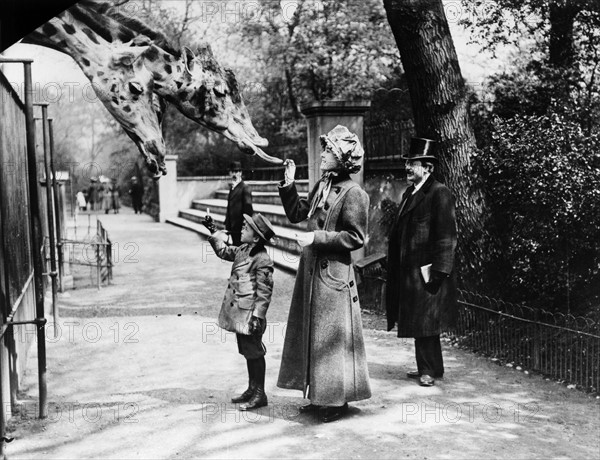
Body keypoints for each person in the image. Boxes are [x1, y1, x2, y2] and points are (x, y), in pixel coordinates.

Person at [276, 125, 371, 423]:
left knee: (329, 336)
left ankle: (335, 402)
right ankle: (319, 397)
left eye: (329, 151)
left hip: (334, 276)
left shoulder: (355, 194)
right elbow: (298, 213)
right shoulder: (323, 185)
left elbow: (356, 238)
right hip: (312, 272)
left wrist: (317, 239)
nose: (323, 155)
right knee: (313, 335)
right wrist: (289, 184)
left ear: (342, 158)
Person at [385, 137, 458, 387]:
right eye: (407, 163)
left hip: (428, 270)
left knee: (427, 321)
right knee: (419, 320)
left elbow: (446, 236)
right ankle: (431, 367)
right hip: (411, 271)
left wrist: (439, 271)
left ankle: (428, 370)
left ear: (428, 167)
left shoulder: (439, 192)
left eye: (413, 164)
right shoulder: (410, 192)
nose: (407, 168)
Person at [204, 212, 275, 411]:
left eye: (247, 227)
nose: (242, 227)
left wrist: (258, 316)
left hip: (251, 315)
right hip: (240, 314)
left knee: (255, 352)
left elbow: (265, 292)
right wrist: (213, 231)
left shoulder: (262, 260)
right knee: (247, 351)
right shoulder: (243, 249)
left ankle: (260, 393)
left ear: (255, 237)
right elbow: (224, 251)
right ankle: (252, 388)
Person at [224, 161, 253, 246]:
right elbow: (229, 208)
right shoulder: (232, 188)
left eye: (237, 172)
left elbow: (248, 209)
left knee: (241, 251)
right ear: (230, 173)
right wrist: (227, 224)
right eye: (232, 172)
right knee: (236, 251)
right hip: (232, 228)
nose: (234, 174)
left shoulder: (245, 188)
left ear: (240, 173)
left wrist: (245, 227)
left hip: (241, 228)